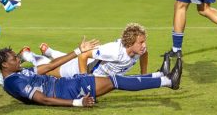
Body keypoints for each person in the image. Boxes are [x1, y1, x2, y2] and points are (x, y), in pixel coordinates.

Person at [0, 41, 182, 107]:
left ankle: (159, 76)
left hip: (67, 84)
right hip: (67, 92)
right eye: (14, 58)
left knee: (115, 80)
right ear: (4, 65)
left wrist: (77, 51)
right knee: (115, 81)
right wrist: (77, 103)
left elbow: (49, 67)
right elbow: (43, 100)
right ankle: (167, 81)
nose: (18, 59)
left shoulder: (19, 72)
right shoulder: (13, 83)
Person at [18, 23, 170, 79]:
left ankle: (47, 52)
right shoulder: (113, 51)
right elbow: (83, 55)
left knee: (59, 60)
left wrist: (144, 74)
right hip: (80, 69)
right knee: (48, 70)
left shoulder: (139, 50)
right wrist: (84, 80)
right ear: (130, 42)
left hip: (96, 73)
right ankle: (29, 56)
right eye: (141, 42)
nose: (144, 45)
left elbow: (145, 53)